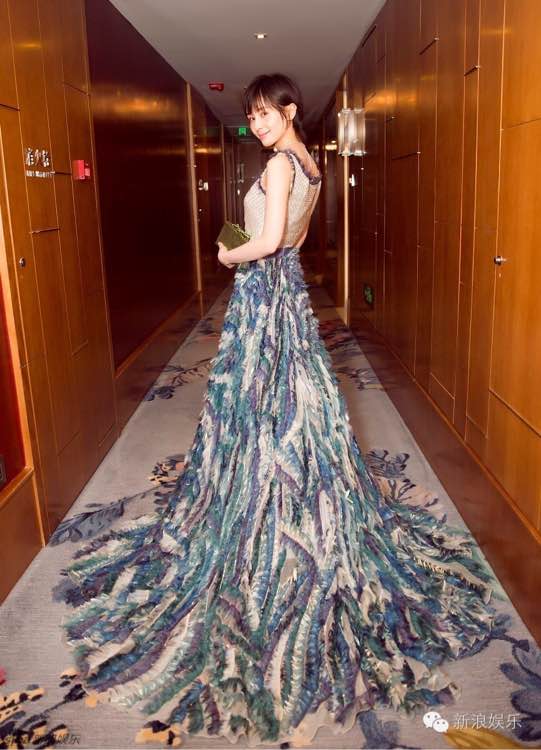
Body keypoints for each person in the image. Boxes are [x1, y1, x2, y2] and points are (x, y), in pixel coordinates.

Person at [58, 73, 497, 748]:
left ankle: (262, 507)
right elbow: (293, 237)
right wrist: (258, 245)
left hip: (265, 291)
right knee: (293, 399)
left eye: (267, 113)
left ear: (289, 110)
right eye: (253, 117)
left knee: (257, 400)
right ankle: (295, 490)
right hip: (288, 291)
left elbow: (264, 244)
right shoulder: (311, 165)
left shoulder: (278, 165)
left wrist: (225, 253)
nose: (259, 124)